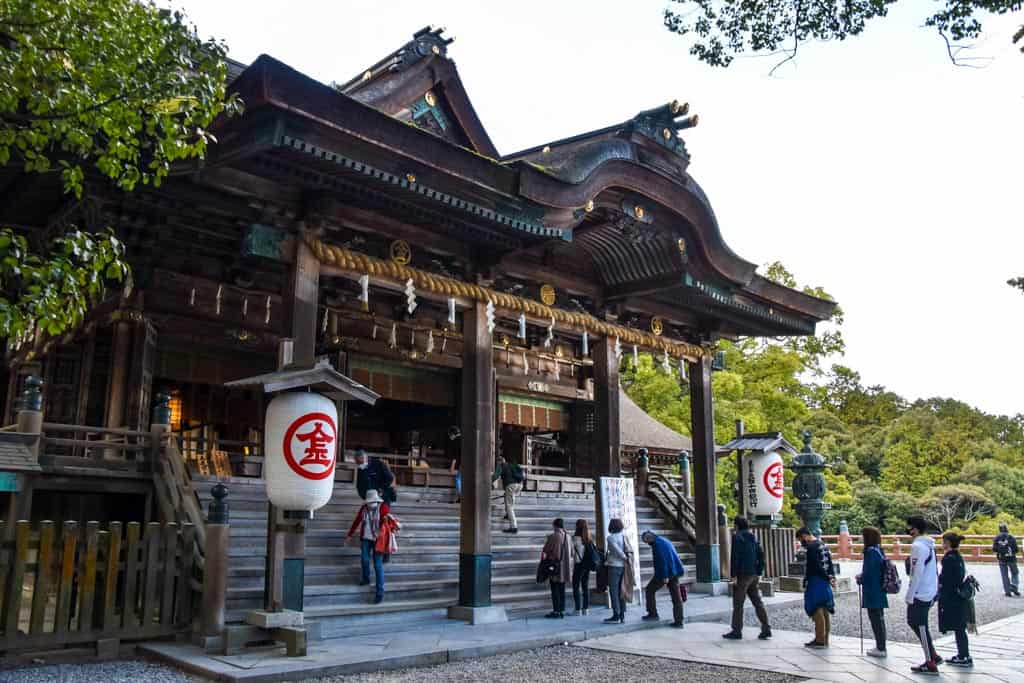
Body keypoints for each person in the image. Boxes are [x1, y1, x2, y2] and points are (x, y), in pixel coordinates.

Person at [723, 516, 771, 640]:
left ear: (737, 525)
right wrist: (759, 571)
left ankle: (736, 631)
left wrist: (733, 575)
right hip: (754, 573)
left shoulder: (737, 537)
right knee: (757, 601)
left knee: (738, 603)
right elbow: (761, 555)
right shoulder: (753, 536)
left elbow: (735, 557)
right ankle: (766, 627)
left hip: (742, 575)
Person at [905, 515, 941, 675]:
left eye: (910, 527)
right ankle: (932, 654)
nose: (908, 531)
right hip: (929, 589)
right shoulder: (929, 545)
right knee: (917, 623)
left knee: (919, 624)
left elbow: (916, 573)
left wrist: (910, 595)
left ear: (916, 529)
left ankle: (930, 661)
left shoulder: (918, 547)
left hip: (921, 592)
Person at [345, 489, 390, 604]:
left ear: (376, 500)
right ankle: (366, 579)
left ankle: (380, 592)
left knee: (377, 564)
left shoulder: (383, 507)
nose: (371, 504)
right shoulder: (364, 508)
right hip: (366, 538)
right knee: (364, 559)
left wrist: (385, 521)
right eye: (369, 502)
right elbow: (357, 521)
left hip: (377, 540)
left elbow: (387, 521)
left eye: (373, 501)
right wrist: (350, 534)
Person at [938, 532, 973, 668]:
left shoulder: (949, 558)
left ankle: (964, 655)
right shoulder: (958, 556)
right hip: (959, 594)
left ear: (947, 542)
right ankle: (962, 654)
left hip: (952, 595)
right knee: (960, 628)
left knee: (959, 628)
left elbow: (946, 578)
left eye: (944, 541)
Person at [797, 527, 836, 649]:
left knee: (816, 608)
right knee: (824, 608)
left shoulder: (811, 547)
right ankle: (825, 638)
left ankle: (819, 639)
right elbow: (829, 562)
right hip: (825, 580)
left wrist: (806, 580)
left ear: (805, 535)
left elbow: (815, 566)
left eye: (800, 539)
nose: (801, 542)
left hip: (816, 579)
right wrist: (831, 576)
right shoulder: (822, 544)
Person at [640, 530, 686, 627]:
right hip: (675, 570)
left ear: (649, 538)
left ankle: (653, 614)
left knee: (649, 590)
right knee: (676, 597)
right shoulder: (663, 540)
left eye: (646, 542)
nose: (648, 544)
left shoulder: (657, 545)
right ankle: (679, 621)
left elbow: (662, 561)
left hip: (665, 573)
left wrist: (665, 577)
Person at [857, 526, 889, 658]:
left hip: (873, 589)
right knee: (879, 618)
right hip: (879, 588)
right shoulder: (878, 550)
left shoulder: (870, 552)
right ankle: (881, 645)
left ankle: (881, 647)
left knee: (875, 618)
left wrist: (861, 578)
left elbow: (869, 573)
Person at [542, 518, 572, 618]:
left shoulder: (554, 536)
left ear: (555, 525)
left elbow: (546, 550)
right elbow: (571, 552)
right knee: (562, 589)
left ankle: (556, 611)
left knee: (554, 589)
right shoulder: (568, 536)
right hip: (565, 567)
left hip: (555, 566)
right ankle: (562, 610)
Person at [603, 518, 632, 624]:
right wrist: (626, 559)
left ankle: (616, 614)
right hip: (623, 566)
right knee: (622, 589)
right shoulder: (623, 536)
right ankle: (622, 614)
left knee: (614, 591)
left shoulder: (610, 538)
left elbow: (616, 550)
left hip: (614, 566)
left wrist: (624, 557)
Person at [492, 456, 525, 534]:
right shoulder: (511, 465)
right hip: (519, 485)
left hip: (510, 485)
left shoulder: (501, 466)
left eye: (497, 462)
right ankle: (508, 514)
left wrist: (489, 481)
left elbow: (495, 476)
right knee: (508, 496)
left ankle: (514, 527)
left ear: (499, 461)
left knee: (509, 505)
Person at [572, 519, 595, 615]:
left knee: (576, 586)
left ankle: (577, 609)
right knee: (585, 586)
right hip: (587, 564)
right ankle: (586, 608)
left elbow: (572, 553)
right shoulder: (589, 538)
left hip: (579, 564)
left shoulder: (575, 538)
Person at [993, 523, 1020, 597]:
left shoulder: (997, 538)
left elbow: (994, 549)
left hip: (1001, 558)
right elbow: (1016, 549)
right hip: (1012, 558)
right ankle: (1014, 586)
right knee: (1015, 573)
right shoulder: (1011, 537)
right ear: (1007, 528)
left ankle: (1007, 591)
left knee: (1004, 575)